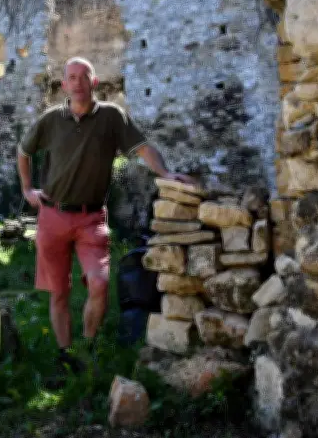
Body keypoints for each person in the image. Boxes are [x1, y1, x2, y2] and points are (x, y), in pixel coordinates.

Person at [16, 56, 196, 375]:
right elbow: (24, 151)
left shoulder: (112, 117)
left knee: (98, 284)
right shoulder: (50, 120)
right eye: (71, 78)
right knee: (59, 292)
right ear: (64, 86)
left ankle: (88, 345)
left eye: (84, 77)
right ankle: (64, 353)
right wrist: (28, 190)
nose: (78, 83)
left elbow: (141, 148)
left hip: (91, 219)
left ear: (94, 82)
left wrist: (165, 172)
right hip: (52, 216)